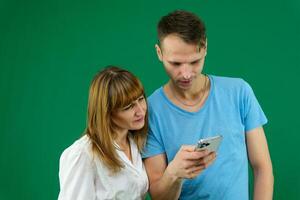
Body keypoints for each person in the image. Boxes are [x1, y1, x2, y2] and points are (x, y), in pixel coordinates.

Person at [142, 10, 274, 200]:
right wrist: (174, 174)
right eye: (176, 63)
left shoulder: (239, 92)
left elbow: (262, 167)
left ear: (205, 48)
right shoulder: (150, 111)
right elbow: (158, 196)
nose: (186, 74)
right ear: (159, 53)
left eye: (195, 62)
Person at [58, 66, 149, 200]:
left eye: (141, 99)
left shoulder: (135, 143)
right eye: (128, 107)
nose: (140, 111)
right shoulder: (83, 154)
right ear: (107, 112)